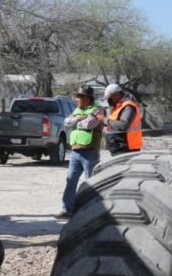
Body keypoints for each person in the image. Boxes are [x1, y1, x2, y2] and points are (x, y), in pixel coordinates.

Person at [56, 86, 105, 219]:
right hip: (76, 151)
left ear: (87, 98)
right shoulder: (78, 110)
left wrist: (77, 121)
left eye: (80, 96)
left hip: (90, 151)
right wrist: (79, 119)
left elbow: (90, 124)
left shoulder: (97, 109)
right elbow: (66, 122)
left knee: (91, 183)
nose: (77, 99)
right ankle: (67, 209)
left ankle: (93, 211)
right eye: (77, 96)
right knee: (71, 180)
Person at [102, 83, 143, 156]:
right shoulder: (117, 107)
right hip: (118, 146)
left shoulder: (128, 107)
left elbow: (123, 125)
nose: (109, 100)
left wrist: (105, 120)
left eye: (110, 98)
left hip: (127, 146)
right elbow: (113, 124)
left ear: (116, 95)